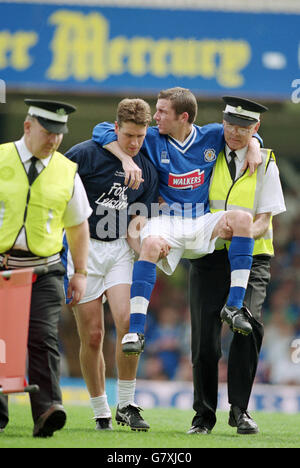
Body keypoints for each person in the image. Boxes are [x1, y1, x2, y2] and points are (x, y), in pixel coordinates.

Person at [92, 87, 263, 356]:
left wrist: (254, 145)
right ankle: (136, 332)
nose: (154, 116)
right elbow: (101, 130)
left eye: (161, 111)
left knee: (242, 219)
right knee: (148, 246)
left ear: (183, 117)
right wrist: (126, 159)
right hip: (166, 221)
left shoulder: (211, 135)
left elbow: (244, 131)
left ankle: (234, 306)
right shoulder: (150, 138)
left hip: (200, 219)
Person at [188, 96, 286, 435]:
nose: (234, 132)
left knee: (248, 326)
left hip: (253, 256)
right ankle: (203, 416)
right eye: (230, 124)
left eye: (244, 128)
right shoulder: (206, 154)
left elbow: (264, 220)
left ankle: (240, 411)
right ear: (222, 122)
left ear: (255, 128)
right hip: (209, 256)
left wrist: (242, 232)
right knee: (204, 341)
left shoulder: (267, 162)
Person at [62, 98, 160, 432]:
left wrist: (142, 246)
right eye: (128, 135)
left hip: (118, 249)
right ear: (115, 129)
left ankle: (127, 404)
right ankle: (100, 410)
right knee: (91, 335)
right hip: (83, 250)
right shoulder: (85, 154)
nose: (134, 143)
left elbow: (137, 220)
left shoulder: (147, 169)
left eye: (140, 137)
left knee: (126, 321)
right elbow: (57, 190)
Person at [0, 99, 91, 437]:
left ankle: (48, 410)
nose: (54, 140)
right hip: (1, 266)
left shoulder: (67, 170)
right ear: (27, 126)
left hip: (45, 269)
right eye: (48, 131)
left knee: (42, 337)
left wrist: (79, 272)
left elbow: (78, 225)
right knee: (0, 340)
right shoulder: (0, 158)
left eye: (60, 133)